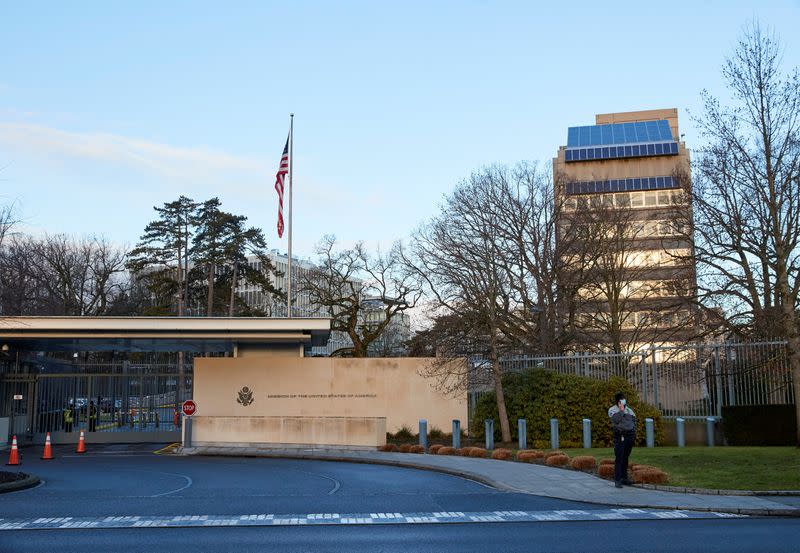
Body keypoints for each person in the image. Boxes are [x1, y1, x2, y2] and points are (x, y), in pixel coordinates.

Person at [608, 391, 636, 488]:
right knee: (619, 458)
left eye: (624, 398)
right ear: (617, 401)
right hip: (620, 437)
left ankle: (624, 478)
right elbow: (616, 420)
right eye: (621, 399)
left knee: (625, 457)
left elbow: (632, 422)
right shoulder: (612, 410)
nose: (623, 400)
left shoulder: (629, 410)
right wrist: (621, 411)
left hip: (629, 436)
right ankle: (618, 479)